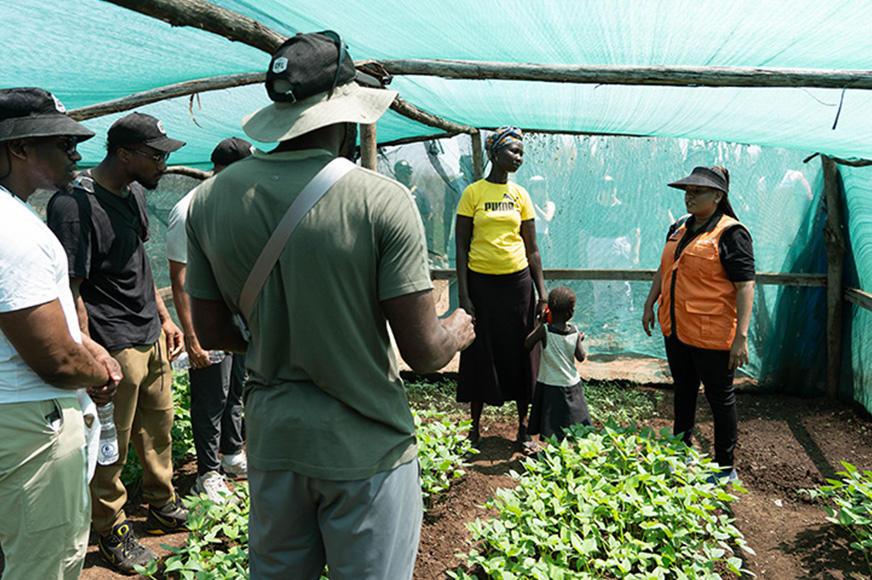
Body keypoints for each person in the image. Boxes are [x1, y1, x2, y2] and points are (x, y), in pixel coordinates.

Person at [184, 32, 474, 580]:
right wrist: (456, 329)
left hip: (274, 441)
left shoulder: (212, 199)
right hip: (364, 445)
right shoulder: (381, 199)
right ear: (346, 114)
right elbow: (423, 352)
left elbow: (213, 328)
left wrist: (280, 339)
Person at [46, 111, 189, 574]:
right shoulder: (74, 204)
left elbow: (140, 265)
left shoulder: (133, 196)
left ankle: (161, 502)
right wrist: (89, 351)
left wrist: (165, 318)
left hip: (149, 333)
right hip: (112, 344)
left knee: (159, 429)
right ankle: (110, 530)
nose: (163, 166)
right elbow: (70, 288)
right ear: (124, 154)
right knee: (111, 446)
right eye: (156, 157)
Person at [0, 87, 121, 580]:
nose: (75, 155)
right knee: (44, 561)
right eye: (61, 143)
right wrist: (99, 369)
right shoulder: (16, 231)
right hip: (31, 422)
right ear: (19, 148)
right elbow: (55, 359)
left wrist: (86, 347)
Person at [642, 166, 755, 483]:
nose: (689, 196)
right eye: (687, 191)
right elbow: (666, 268)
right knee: (684, 390)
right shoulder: (678, 227)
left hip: (713, 334)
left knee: (720, 397)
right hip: (676, 329)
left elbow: (746, 285)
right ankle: (680, 450)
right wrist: (651, 302)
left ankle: (724, 466)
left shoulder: (732, 234)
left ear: (718, 196)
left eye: (698, 191)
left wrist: (741, 338)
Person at [166, 137, 253, 503]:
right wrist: (193, 335)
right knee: (209, 397)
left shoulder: (237, 205)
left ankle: (232, 454)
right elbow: (180, 276)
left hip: (236, 318)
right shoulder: (190, 209)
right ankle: (207, 472)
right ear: (224, 171)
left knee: (236, 388)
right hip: (206, 321)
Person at [456, 125, 547, 455]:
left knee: (522, 352)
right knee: (480, 351)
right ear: (494, 153)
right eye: (513, 151)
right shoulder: (473, 194)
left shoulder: (521, 196)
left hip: (518, 287)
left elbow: (532, 248)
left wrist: (542, 293)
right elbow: (461, 245)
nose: (519, 157)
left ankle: (524, 428)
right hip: (482, 286)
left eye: (522, 152)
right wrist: (465, 296)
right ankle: (474, 429)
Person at [525, 286, 590, 443]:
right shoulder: (574, 332)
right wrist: (579, 340)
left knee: (550, 420)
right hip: (570, 383)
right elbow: (581, 357)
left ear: (550, 310)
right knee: (572, 417)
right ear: (571, 312)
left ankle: (552, 451)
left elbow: (527, 344)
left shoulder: (545, 331)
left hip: (549, 383)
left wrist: (541, 323)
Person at [395, 159, 437, 260]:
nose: (406, 175)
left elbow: (429, 219)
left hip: (417, 240)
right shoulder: (391, 191)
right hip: (396, 240)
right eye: (402, 172)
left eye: (408, 172)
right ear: (396, 174)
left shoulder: (420, 193)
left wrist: (429, 247)